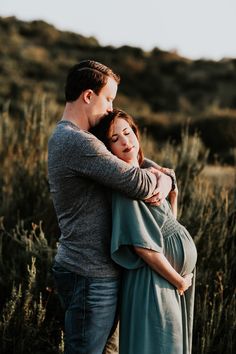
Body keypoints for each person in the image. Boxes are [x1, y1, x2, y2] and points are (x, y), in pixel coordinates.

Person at [47, 60, 173, 354]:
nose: (110, 108)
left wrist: (166, 178)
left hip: (99, 274)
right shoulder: (75, 142)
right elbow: (138, 182)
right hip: (90, 276)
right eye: (108, 99)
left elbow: (141, 164)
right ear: (88, 96)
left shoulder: (88, 138)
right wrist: (159, 178)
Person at [91, 108, 197, 354]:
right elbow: (142, 246)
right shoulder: (125, 184)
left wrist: (173, 195)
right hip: (153, 282)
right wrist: (179, 280)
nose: (125, 142)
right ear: (108, 150)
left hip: (168, 280)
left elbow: (166, 224)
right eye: (114, 139)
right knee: (158, 346)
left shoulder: (147, 174)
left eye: (127, 133)